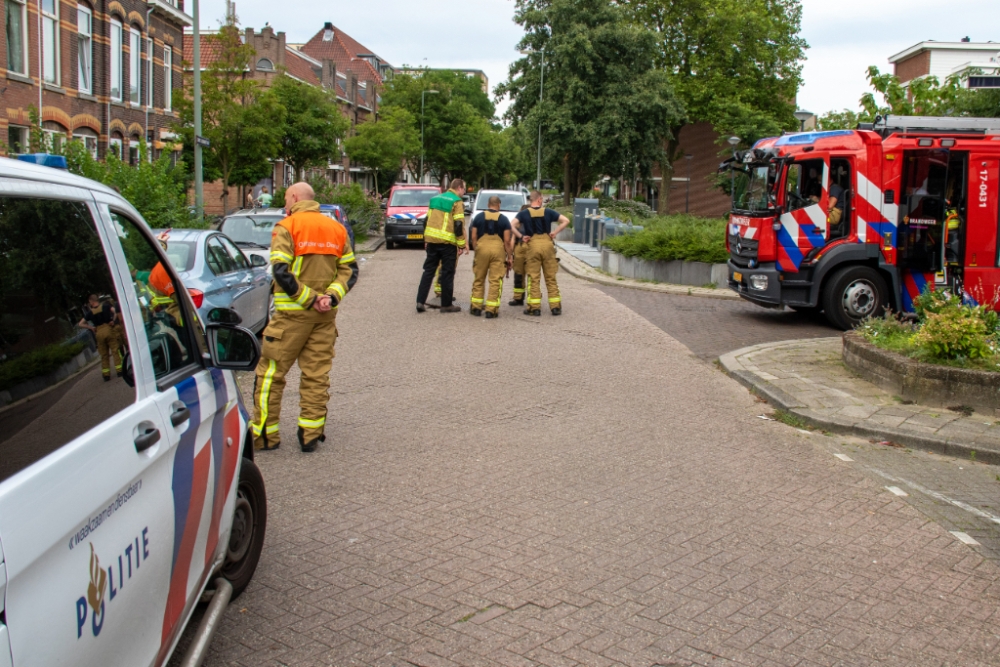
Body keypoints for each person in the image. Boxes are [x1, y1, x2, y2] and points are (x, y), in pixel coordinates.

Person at [251, 182, 359, 453]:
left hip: (290, 317)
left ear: (295, 197)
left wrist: (309, 299)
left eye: (287, 198)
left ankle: (265, 436)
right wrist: (330, 298)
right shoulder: (336, 229)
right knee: (316, 375)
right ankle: (310, 434)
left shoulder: (287, 227)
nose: (285, 204)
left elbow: (280, 271)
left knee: (270, 374)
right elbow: (349, 270)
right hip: (324, 317)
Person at [515, 191, 570, 316]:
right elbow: (566, 221)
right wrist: (554, 233)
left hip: (533, 245)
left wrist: (521, 236)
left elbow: (512, 225)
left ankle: (535, 308)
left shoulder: (524, 213)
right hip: (547, 244)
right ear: (539, 200)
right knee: (550, 277)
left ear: (531, 200)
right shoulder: (548, 212)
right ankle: (555, 307)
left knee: (534, 278)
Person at [416, 179, 467, 313]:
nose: (464, 192)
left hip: (432, 241)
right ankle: (446, 305)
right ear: (459, 187)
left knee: (428, 272)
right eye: (464, 189)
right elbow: (458, 225)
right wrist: (461, 244)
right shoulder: (456, 201)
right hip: (447, 243)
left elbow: (426, 221)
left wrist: (426, 238)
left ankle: (420, 301)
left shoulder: (434, 199)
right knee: (447, 272)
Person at [469, 196, 513, 318]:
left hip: (482, 248)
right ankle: (491, 310)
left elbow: (473, 236)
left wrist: (476, 248)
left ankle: (476, 308)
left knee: (479, 278)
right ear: (499, 205)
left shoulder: (478, 217)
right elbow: (507, 241)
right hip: (498, 250)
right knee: (495, 280)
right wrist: (510, 256)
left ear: (488, 204)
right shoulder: (504, 220)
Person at [78, 294, 123, 381]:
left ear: (91, 301)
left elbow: (81, 324)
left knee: (104, 354)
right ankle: (119, 370)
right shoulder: (106, 306)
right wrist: (112, 321)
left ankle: (106, 375)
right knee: (115, 351)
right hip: (108, 330)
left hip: (98, 332)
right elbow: (115, 312)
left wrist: (91, 328)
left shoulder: (90, 313)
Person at [508, 204, 530, 306]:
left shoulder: (518, 225)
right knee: (530, 275)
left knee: (519, 274)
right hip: (530, 249)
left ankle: (518, 298)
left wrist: (510, 255)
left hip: (520, 248)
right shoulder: (534, 223)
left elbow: (512, 240)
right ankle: (531, 299)